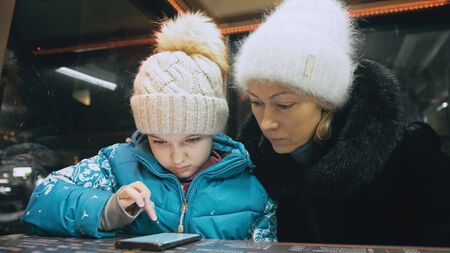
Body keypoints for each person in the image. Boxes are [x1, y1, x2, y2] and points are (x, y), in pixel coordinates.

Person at [21, 13, 277, 241]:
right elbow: (43, 198)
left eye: (192, 139)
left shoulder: (252, 192)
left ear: (213, 130)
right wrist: (109, 209)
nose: (177, 157)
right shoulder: (117, 166)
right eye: (160, 141)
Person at [233, 0, 450, 246]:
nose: (266, 123)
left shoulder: (411, 161)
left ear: (327, 101)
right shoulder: (250, 170)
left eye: (284, 105)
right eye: (256, 102)